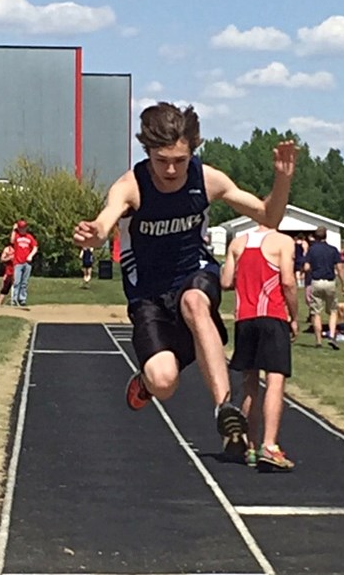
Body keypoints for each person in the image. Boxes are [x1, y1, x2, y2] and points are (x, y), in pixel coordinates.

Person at [73, 102, 298, 452]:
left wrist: (282, 180)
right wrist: (95, 233)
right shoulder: (131, 186)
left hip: (194, 272)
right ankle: (148, 381)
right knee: (165, 382)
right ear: (147, 152)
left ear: (192, 150)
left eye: (180, 159)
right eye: (162, 160)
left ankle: (225, 408)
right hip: (148, 293)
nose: (171, 169)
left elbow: (269, 216)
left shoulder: (207, 179)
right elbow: (106, 220)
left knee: (194, 302)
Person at [221, 225, 298, 471]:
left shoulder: (237, 243)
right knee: (275, 381)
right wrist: (294, 316)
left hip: (245, 319)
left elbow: (225, 281)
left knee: (250, 384)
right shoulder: (283, 241)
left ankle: (251, 447)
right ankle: (270, 445)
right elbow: (287, 282)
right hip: (272, 317)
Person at [303, 226, 344, 350]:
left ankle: (318, 341)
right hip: (330, 282)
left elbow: (306, 267)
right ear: (325, 236)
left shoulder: (312, 250)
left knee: (316, 312)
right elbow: (339, 268)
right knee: (333, 310)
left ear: (315, 236)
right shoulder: (333, 250)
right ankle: (332, 336)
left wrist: (312, 269)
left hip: (316, 282)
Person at [10, 220, 38, 307]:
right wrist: (14, 230)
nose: (23, 229)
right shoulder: (17, 236)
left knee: (24, 282)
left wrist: (31, 255)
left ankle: (22, 299)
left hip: (27, 262)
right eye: (21, 228)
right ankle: (14, 299)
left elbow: (35, 247)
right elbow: (11, 241)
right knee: (17, 281)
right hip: (18, 262)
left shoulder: (29, 237)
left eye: (24, 227)